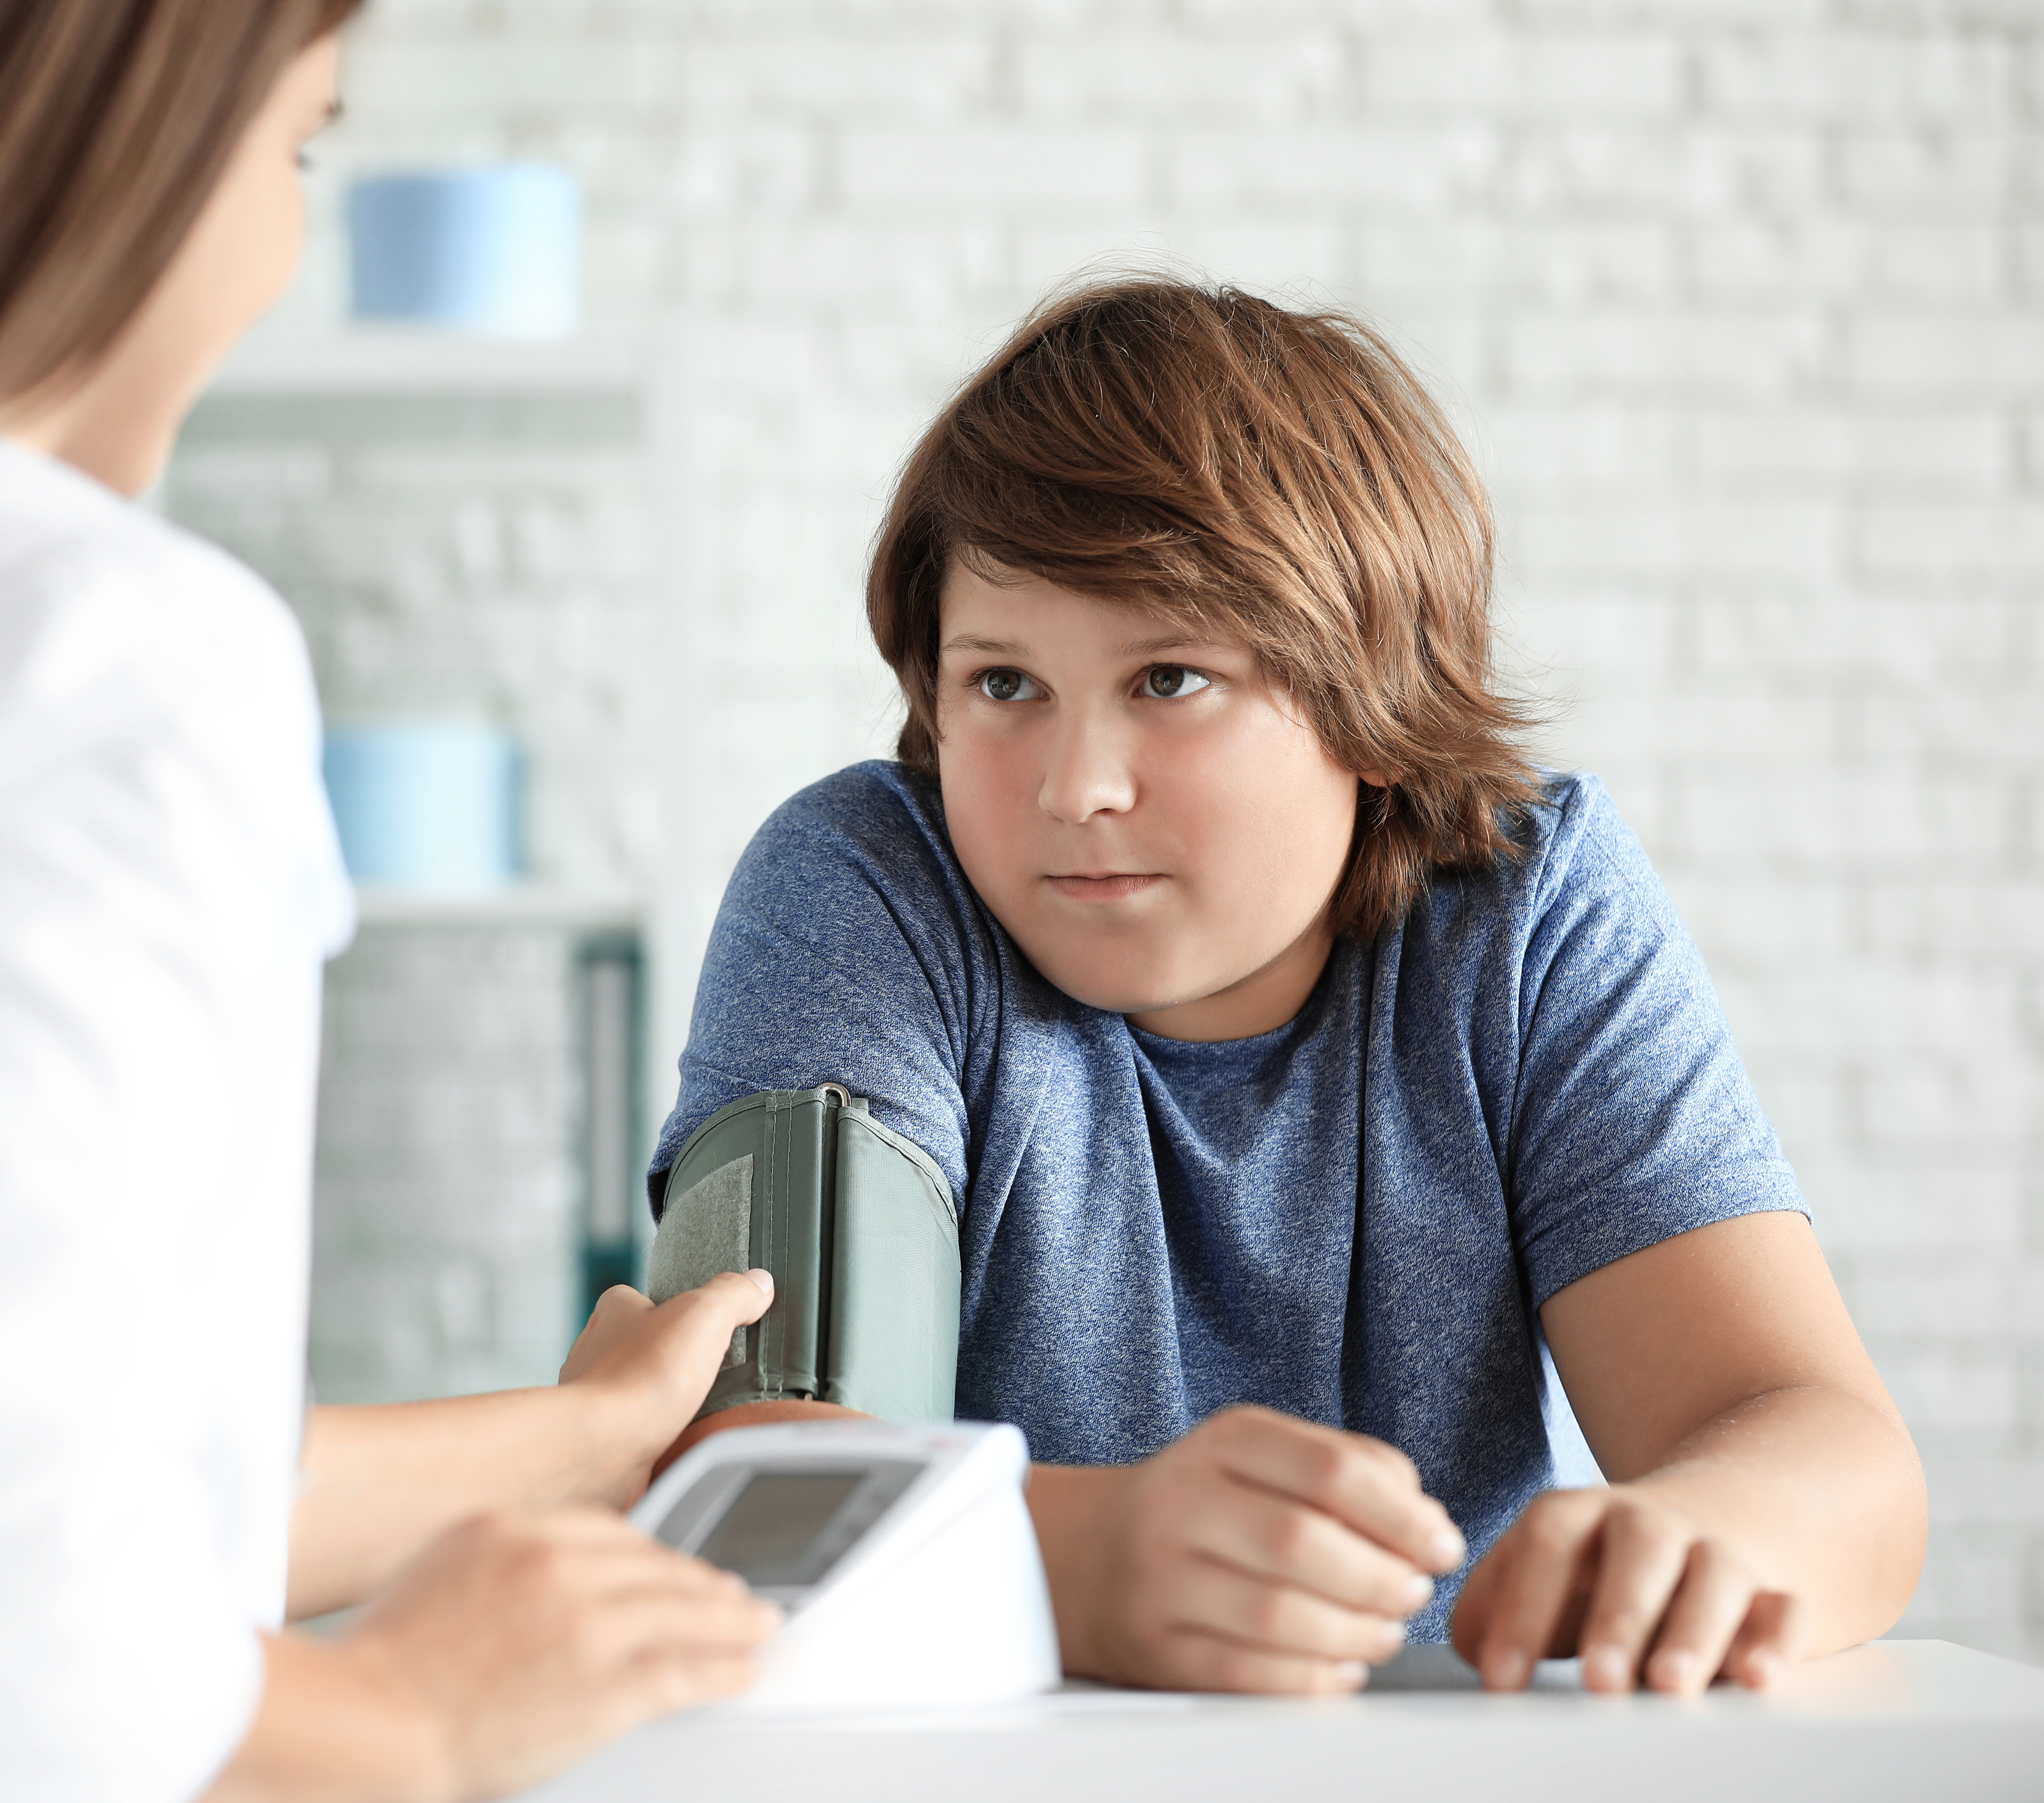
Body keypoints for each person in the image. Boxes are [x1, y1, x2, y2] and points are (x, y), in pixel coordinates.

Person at [0, 4, 775, 1799]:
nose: (281, 237)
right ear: (96, 145)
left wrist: (584, 1440)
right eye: (298, 148)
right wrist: (417, 1714)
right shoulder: (84, 654)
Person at [651, 278, 1928, 1698]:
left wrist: (1703, 1536)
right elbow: (749, 1475)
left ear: (1374, 702)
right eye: (1003, 685)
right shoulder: (865, 887)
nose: (1076, 790)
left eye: (1173, 677)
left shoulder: (1525, 908)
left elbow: (1822, 1447)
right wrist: (1070, 1560)